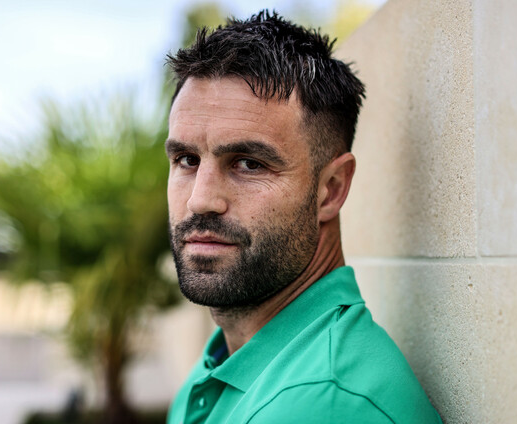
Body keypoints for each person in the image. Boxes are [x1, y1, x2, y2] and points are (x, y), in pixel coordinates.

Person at [164, 10, 442, 424]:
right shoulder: (222, 364)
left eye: (249, 163)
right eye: (187, 159)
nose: (200, 200)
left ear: (331, 189)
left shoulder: (322, 403)